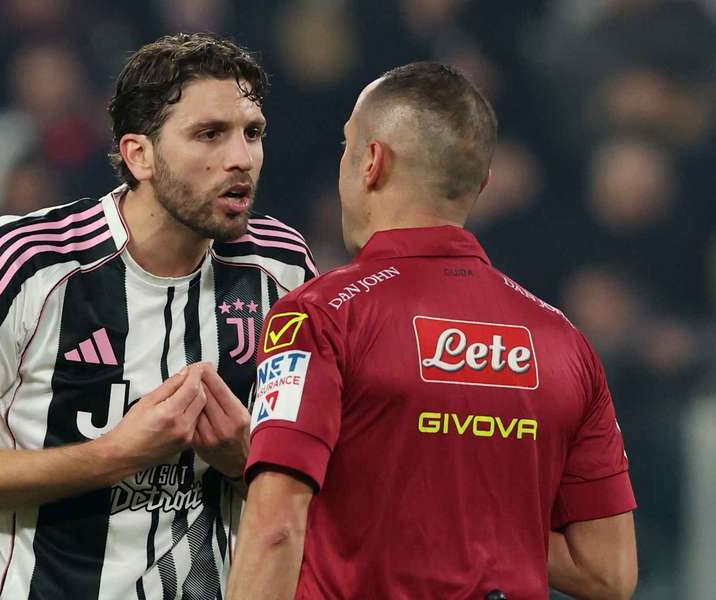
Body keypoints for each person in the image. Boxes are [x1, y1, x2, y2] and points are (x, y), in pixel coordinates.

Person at [0, 33, 317, 600]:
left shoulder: (281, 269)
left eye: (252, 133)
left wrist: (246, 459)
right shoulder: (28, 262)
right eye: (209, 134)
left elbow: (320, 489)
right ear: (139, 155)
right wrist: (114, 455)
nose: (241, 158)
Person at [227, 62, 637, 600]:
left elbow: (277, 528)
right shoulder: (564, 343)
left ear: (371, 162)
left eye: (347, 148)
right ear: (482, 184)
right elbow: (609, 569)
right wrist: (463, 531)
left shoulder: (320, 315)